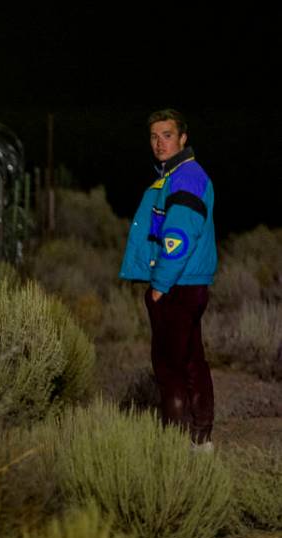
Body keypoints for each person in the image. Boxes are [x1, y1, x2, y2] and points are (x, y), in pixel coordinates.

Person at [118, 109, 217, 450]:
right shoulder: (173, 174)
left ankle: (176, 445)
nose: (159, 143)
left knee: (169, 367)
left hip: (177, 284)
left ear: (183, 138)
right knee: (190, 359)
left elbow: (179, 237)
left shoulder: (186, 176)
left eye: (167, 135)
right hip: (187, 282)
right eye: (154, 136)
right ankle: (200, 439)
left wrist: (159, 286)